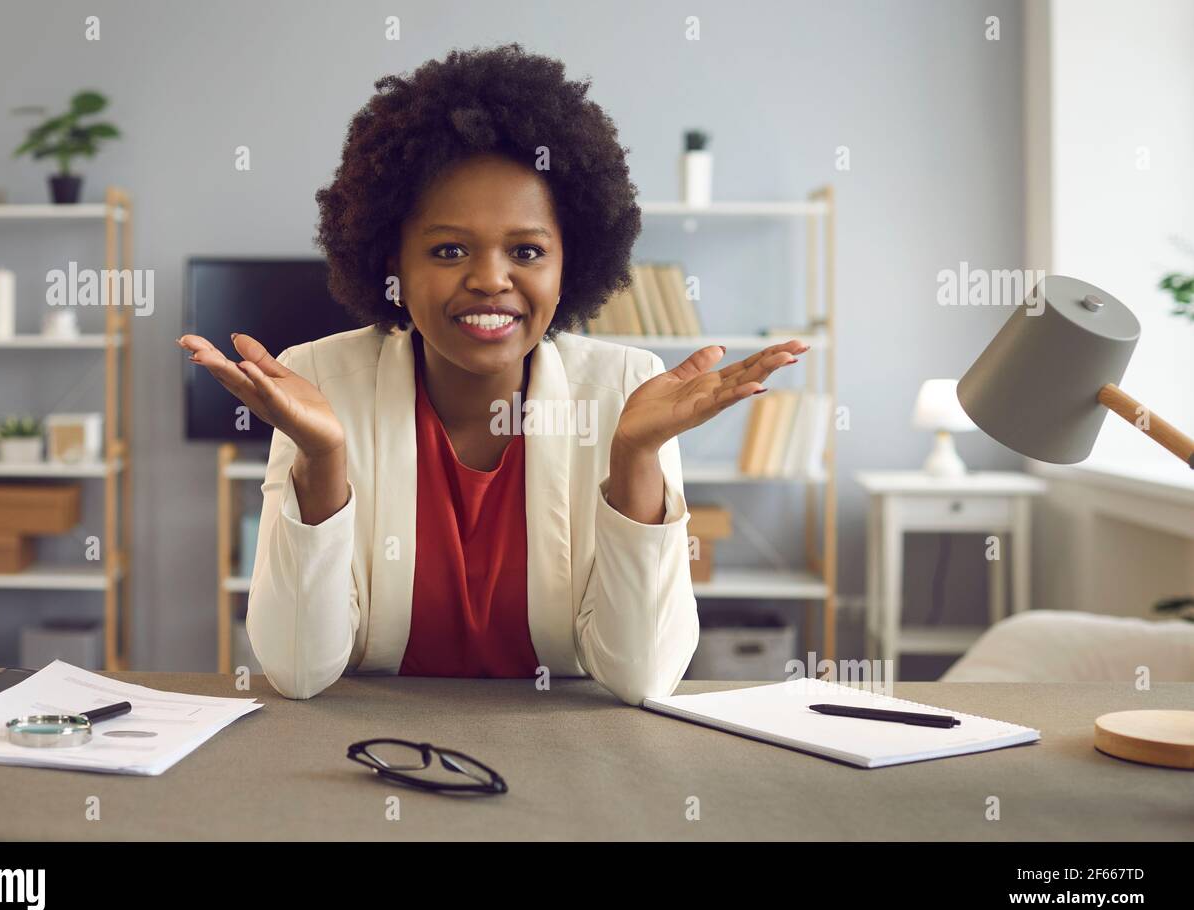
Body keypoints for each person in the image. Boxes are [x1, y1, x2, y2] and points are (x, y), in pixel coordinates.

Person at [179, 43, 806, 704]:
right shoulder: (318, 381)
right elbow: (300, 671)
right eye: (449, 249)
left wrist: (635, 455)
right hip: (376, 756)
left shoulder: (627, 392)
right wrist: (323, 456)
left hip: (565, 766)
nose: (489, 280)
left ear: (571, 263)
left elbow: (641, 676)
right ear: (392, 261)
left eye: (527, 250)